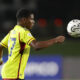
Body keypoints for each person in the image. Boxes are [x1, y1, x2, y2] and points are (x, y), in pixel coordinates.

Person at [0, 8, 65, 80]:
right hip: (13, 75)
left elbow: (0, 46)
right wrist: (55, 40)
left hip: (8, 73)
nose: (33, 22)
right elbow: (36, 46)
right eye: (31, 19)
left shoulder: (12, 32)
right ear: (24, 20)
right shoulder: (23, 32)